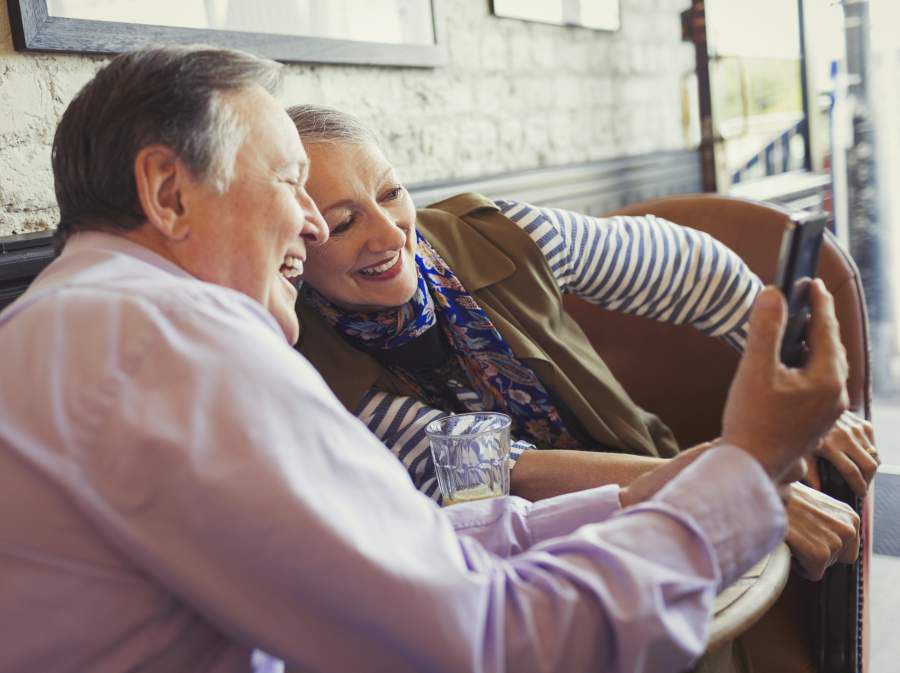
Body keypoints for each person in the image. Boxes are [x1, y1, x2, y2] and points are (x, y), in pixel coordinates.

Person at [0, 45, 847, 673]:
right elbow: (489, 641)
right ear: (169, 193)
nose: (307, 222)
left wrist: (642, 490)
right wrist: (744, 469)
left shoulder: (83, 324)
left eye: (387, 194)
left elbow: (406, 545)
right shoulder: (177, 348)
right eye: (294, 187)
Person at [290, 105, 877, 582]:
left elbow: (693, 270)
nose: (389, 231)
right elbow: (501, 472)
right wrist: (717, 484)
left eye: (391, 193)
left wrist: (794, 394)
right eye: (343, 224)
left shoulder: (498, 235)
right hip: (498, 573)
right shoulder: (303, 365)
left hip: (649, 485)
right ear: (292, 246)